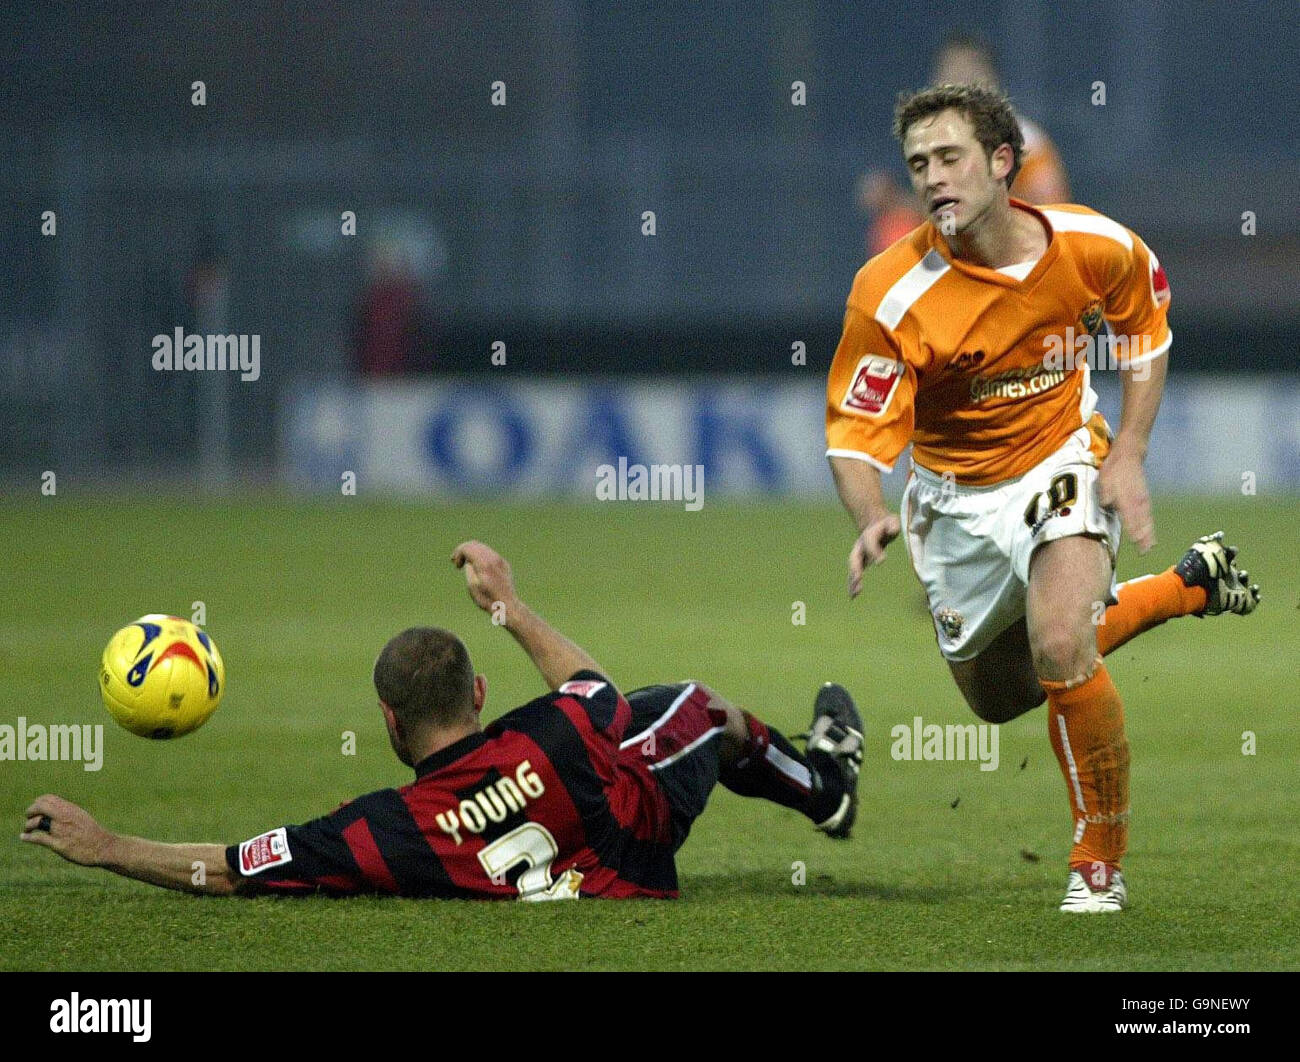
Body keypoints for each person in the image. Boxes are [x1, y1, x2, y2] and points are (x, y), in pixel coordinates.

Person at [824, 83, 1259, 912]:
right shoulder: (888, 292)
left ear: (1001, 163)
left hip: (1062, 457)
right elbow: (854, 435)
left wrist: (1127, 448)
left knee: (1061, 642)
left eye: (949, 157)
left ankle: (1098, 860)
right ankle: (1181, 588)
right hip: (952, 501)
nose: (932, 178)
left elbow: (1145, 334)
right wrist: (870, 513)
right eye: (918, 164)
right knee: (1001, 698)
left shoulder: (1096, 246)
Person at [22, 543, 863, 900]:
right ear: (480, 694)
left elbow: (239, 868)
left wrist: (107, 847)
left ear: (388, 722)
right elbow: (592, 689)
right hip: (629, 845)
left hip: (540, 859)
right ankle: (826, 787)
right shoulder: (552, 730)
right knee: (692, 705)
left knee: (634, 713)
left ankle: (824, 783)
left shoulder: (388, 830)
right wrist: (507, 602)